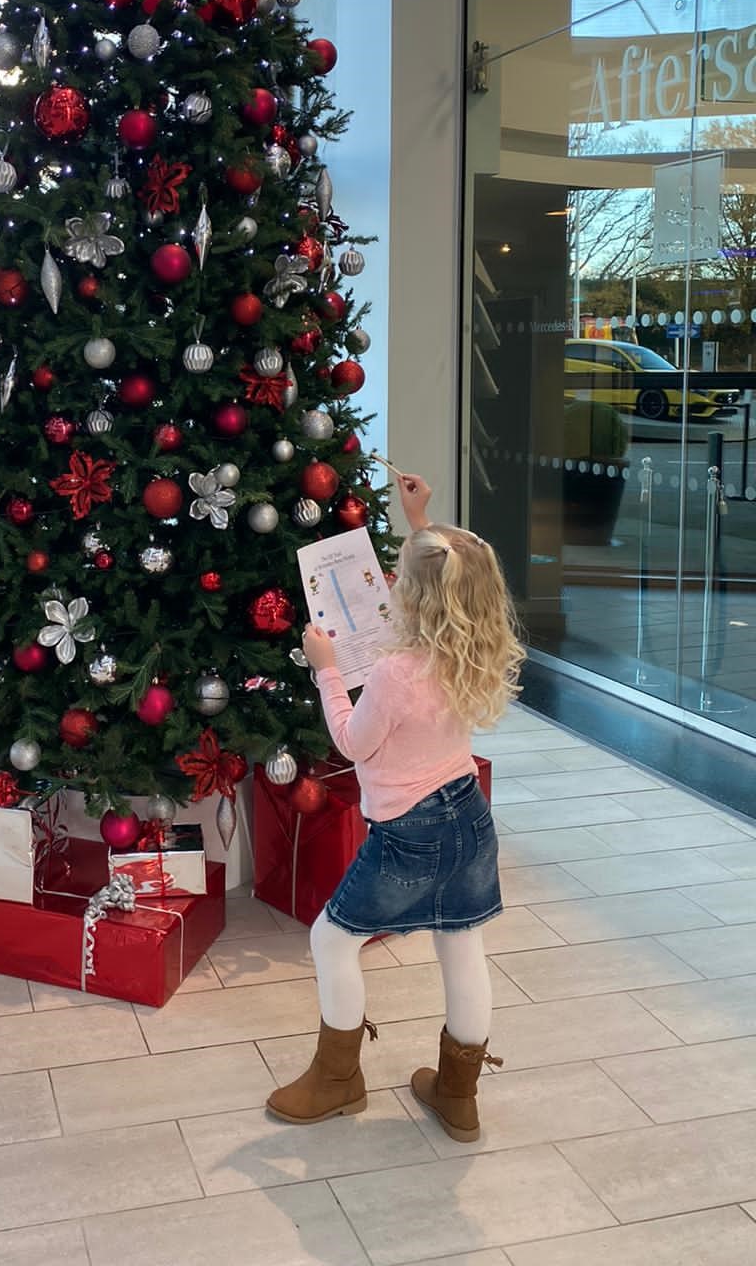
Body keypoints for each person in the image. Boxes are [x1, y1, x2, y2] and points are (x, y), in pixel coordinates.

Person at [266, 473, 524, 1142]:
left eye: (399, 579)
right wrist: (419, 519)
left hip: (410, 831)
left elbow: (353, 743)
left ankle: (337, 1081)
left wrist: (325, 667)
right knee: (461, 946)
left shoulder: (393, 673)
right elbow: (451, 573)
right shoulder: (470, 647)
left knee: (331, 939)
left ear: (412, 596)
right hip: (468, 815)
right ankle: (458, 1096)